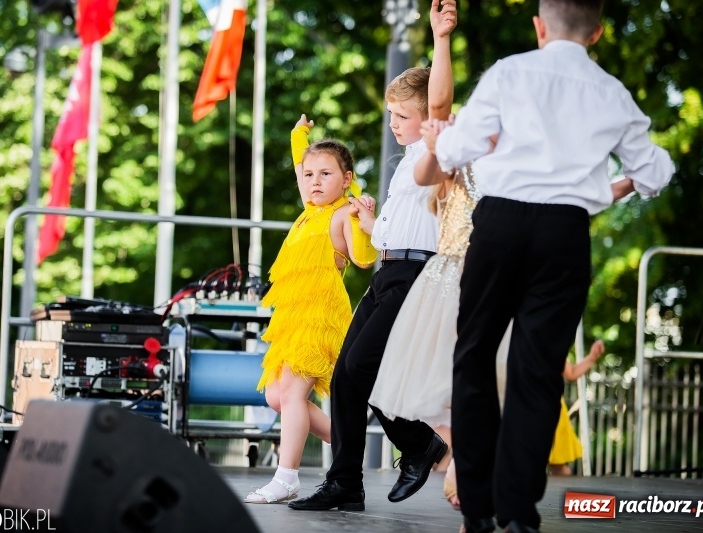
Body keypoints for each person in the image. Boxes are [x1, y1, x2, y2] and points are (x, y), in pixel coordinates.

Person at [415, 0, 675, 531]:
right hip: (564, 234)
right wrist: (618, 186)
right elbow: (656, 169)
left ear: (538, 26)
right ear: (597, 33)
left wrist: (461, 140)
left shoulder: (510, 72)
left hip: (502, 224)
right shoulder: (611, 92)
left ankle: (478, 510)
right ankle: (518, 514)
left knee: (474, 358)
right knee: (538, 375)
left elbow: (456, 149)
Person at [288, 0, 458, 512]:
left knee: (366, 371)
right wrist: (369, 221)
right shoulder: (405, 163)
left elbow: (442, 103)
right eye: (391, 115)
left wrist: (441, 39)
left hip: (415, 275)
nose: (394, 124)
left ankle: (416, 447)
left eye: (403, 115)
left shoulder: (436, 148)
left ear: (427, 117)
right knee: (348, 376)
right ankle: (353, 479)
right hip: (388, 270)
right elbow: (389, 231)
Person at [245, 116, 377, 504]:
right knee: (277, 398)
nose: (314, 181)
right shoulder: (308, 209)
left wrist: (364, 222)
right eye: (308, 175)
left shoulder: (341, 213)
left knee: (290, 391)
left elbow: (365, 260)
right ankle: (346, 439)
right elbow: (300, 158)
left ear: (347, 178)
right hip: (291, 315)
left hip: (320, 315)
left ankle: (286, 477)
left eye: (325, 174)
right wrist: (298, 134)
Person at [549, 339, 606, 476]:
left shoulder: (548, 342)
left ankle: (562, 496)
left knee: (558, 465)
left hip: (551, 408)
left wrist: (592, 357)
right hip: (518, 404)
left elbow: (571, 373)